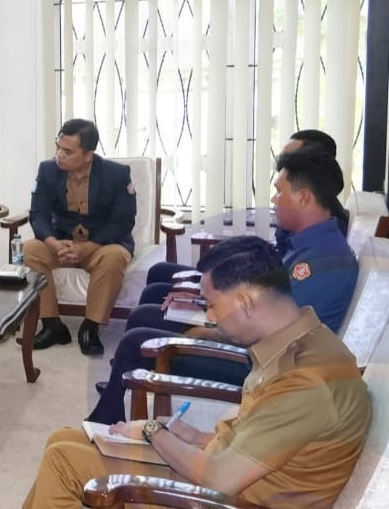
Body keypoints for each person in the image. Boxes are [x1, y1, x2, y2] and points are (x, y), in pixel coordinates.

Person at [24, 235, 371, 509]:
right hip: (227, 479)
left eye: (213, 305)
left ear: (246, 302)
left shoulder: (305, 382)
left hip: (224, 497)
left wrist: (151, 430)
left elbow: (220, 478)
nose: (211, 317)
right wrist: (191, 436)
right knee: (63, 440)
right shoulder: (299, 343)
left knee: (64, 461)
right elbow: (263, 446)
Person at [87, 147, 358, 424]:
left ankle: (107, 418)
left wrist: (201, 330)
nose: (273, 199)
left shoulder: (320, 263)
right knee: (152, 304)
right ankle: (118, 390)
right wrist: (200, 300)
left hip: (259, 366)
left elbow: (269, 332)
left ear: (304, 197)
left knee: (137, 339)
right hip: (256, 345)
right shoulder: (308, 243)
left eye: (279, 191)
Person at [142, 129, 348, 292]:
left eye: (291, 157)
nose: (283, 164)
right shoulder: (311, 225)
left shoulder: (322, 236)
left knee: (152, 302)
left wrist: (215, 300)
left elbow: (277, 306)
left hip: (252, 302)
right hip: (254, 288)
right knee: (160, 274)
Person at [24, 119, 137, 355]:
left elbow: (123, 221)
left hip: (102, 245)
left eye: (67, 151)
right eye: (58, 147)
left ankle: (90, 327)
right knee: (30, 250)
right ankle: (52, 324)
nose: (59, 155)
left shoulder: (116, 174)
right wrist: (53, 243)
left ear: (88, 155)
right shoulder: (47, 170)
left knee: (114, 257)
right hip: (62, 243)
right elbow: (38, 214)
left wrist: (90, 247)